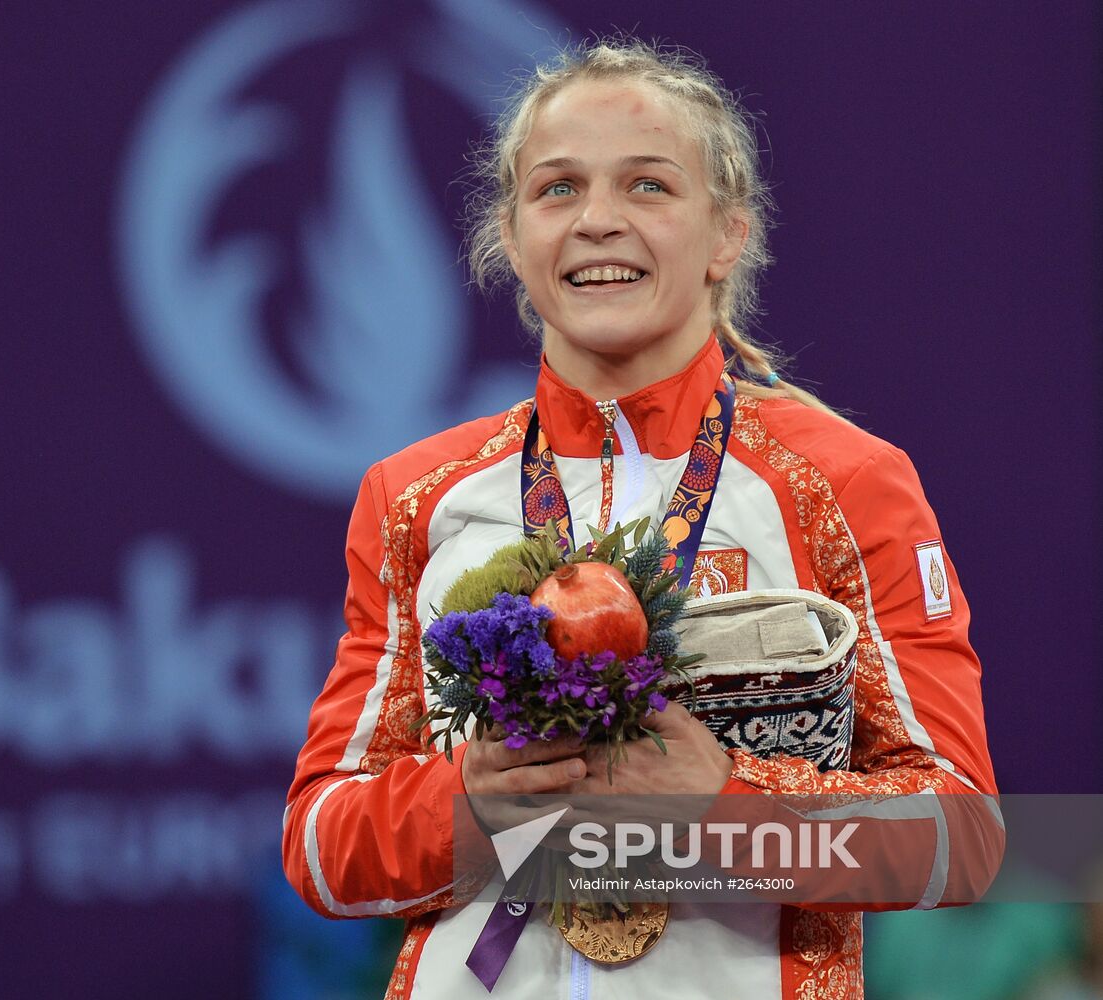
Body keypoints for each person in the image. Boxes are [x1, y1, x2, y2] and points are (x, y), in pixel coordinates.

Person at [283, 38, 1002, 998]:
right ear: (509, 233)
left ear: (727, 233)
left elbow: (959, 837)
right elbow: (322, 846)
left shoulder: (840, 482)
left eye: (649, 187)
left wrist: (724, 805)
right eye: (557, 189)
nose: (598, 222)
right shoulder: (417, 495)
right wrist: (470, 803)